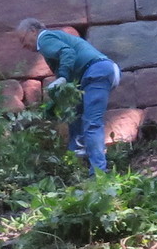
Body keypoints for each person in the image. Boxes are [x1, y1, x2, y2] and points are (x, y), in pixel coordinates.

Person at [16, 17, 121, 172]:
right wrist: (54, 104)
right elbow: (68, 82)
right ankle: (76, 163)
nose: (23, 45)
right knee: (75, 117)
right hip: (94, 74)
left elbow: (67, 53)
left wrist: (63, 77)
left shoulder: (44, 39)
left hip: (96, 73)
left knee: (92, 123)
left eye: (23, 39)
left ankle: (99, 173)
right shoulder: (51, 41)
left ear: (33, 31)